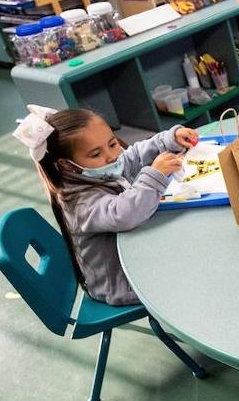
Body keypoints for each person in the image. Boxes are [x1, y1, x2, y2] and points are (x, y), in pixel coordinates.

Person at [12, 106, 197, 306]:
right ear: (67, 165)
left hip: (138, 258)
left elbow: (132, 157)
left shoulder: (101, 168)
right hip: (120, 284)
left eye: (112, 143)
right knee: (196, 271)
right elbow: (125, 214)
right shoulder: (78, 203)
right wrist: (154, 176)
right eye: (95, 154)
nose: (112, 156)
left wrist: (167, 140)